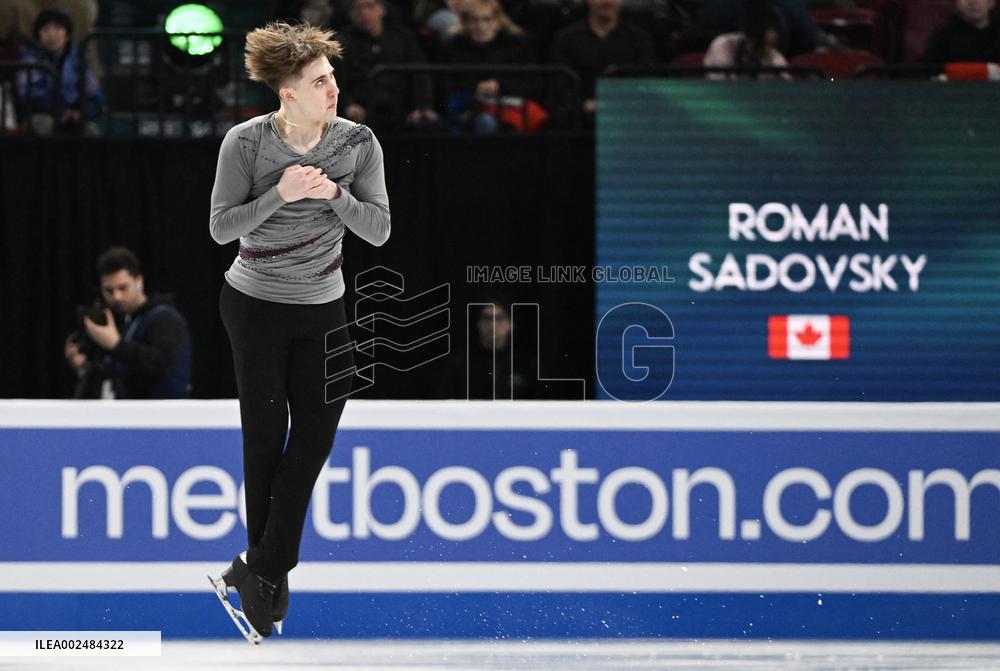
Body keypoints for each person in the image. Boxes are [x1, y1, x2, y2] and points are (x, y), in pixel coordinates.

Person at [207, 21, 390, 643]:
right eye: (319, 82)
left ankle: (258, 567)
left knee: (314, 439)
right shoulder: (246, 143)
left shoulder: (358, 143)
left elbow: (379, 231)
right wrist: (280, 194)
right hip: (253, 306)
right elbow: (221, 228)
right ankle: (267, 579)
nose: (333, 89)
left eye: (332, 77)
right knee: (264, 442)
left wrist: (336, 194)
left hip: (323, 309)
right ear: (288, 93)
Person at [64, 247, 192, 399]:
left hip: (162, 411)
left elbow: (162, 365)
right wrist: (84, 366)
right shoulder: (125, 320)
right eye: (109, 290)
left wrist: (116, 345)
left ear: (139, 281)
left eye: (123, 288)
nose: (116, 297)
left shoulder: (165, 318)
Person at [338, 0, 439, 130]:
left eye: (370, 6)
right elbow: (338, 79)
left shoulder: (403, 37)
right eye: (357, 8)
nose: (364, 13)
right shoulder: (343, 42)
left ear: (382, 9)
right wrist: (348, 104)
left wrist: (422, 106)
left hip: (402, 107)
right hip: (363, 108)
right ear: (350, 14)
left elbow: (420, 73)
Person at [549, 0, 654, 120]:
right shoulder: (565, 39)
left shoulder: (639, 39)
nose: (606, 2)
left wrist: (618, 105)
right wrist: (583, 105)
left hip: (627, 117)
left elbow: (645, 83)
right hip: (578, 119)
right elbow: (561, 85)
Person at [443, 0, 537, 133]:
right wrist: (476, 87)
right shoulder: (454, 46)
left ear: (498, 22)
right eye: (474, 20)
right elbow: (446, 83)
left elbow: (531, 83)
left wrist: (499, 86)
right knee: (484, 121)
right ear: (466, 23)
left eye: (487, 19)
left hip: (510, 108)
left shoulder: (517, 46)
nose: (481, 26)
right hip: (467, 107)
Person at [15, 8, 103, 135]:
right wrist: (63, 111)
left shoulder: (79, 58)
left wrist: (81, 112)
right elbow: (30, 97)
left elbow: (94, 95)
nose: (51, 34)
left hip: (73, 114)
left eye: (57, 29)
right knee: (45, 125)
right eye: (45, 30)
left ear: (67, 35)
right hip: (41, 114)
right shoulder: (30, 59)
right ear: (38, 35)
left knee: (90, 130)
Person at [437, 297, 539, 399]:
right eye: (487, 318)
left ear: (511, 324)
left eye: (499, 318)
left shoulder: (528, 365)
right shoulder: (460, 364)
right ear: (478, 324)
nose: (492, 325)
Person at [704, 0, 790, 76]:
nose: (770, 50)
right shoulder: (722, 46)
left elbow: (787, 86)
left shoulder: (774, 58)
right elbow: (720, 85)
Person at [922, 0, 1000, 64]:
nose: (973, 1)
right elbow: (926, 72)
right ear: (957, 3)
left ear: (991, 2)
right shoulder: (943, 35)